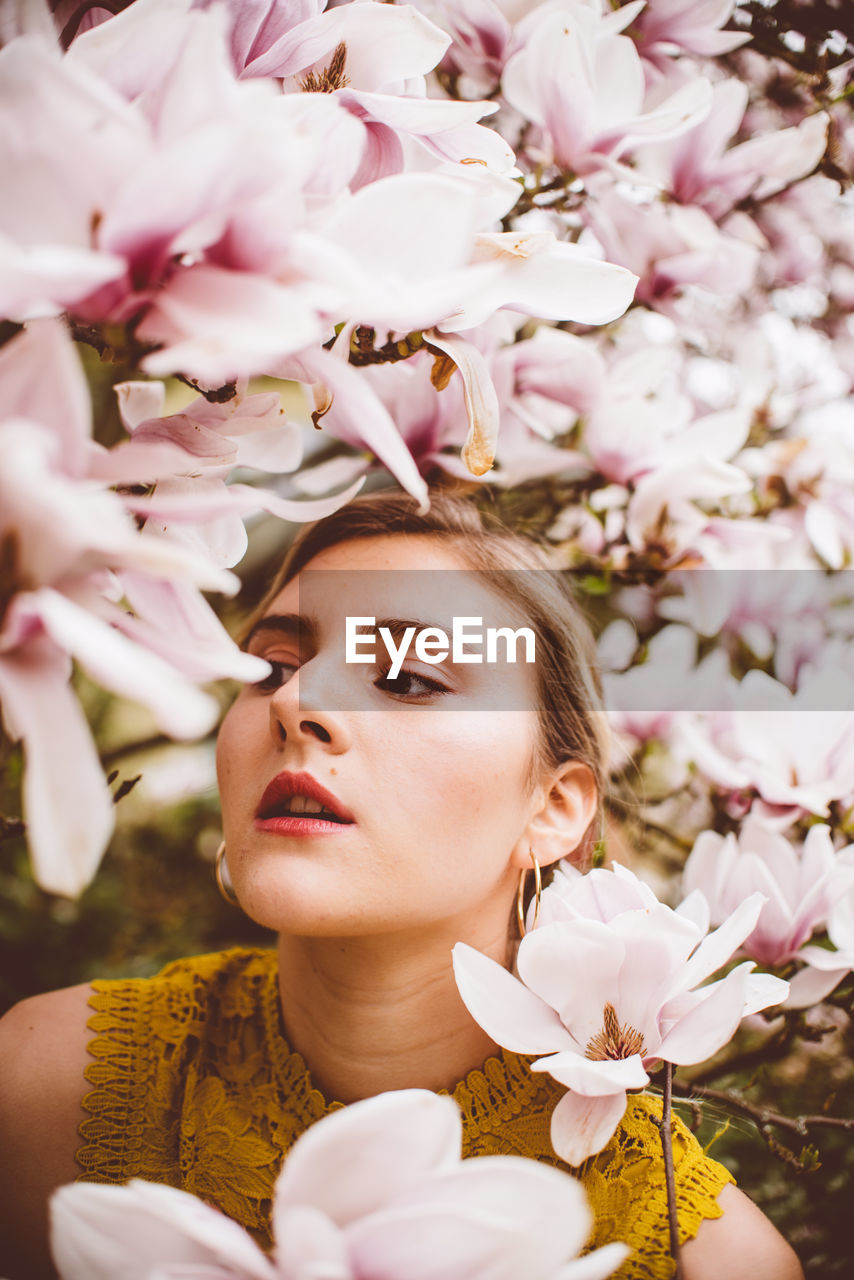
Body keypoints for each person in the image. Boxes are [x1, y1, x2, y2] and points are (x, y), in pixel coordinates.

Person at [0, 490, 802, 1280]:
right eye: (273, 665)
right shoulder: (45, 1093)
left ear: (552, 810)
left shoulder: (712, 1259)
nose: (295, 700)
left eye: (409, 678)